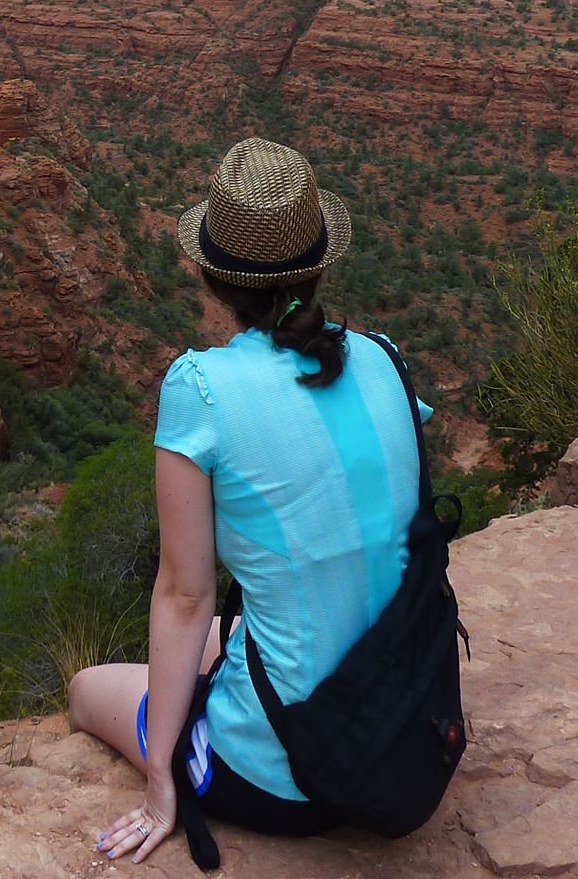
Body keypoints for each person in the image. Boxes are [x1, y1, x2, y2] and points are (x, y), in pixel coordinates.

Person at [67, 136, 435, 865]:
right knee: (230, 638)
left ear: (213, 277)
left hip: (291, 778)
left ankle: (197, 750)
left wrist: (160, 778)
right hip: (408, 720)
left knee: (86, 689)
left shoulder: (200, 389)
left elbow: (182, 594)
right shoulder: (385, 359)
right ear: (322, 260)